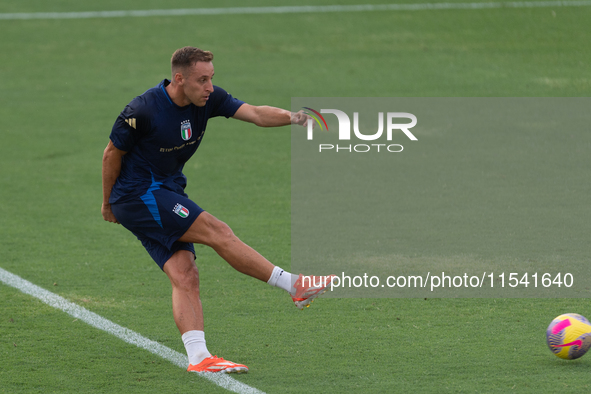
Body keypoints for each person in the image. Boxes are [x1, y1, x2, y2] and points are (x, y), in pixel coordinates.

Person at [101, 46, 333, 374]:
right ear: (179, 79)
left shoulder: (208, 100)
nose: (210, 87)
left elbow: (253, 113)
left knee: (185, 273)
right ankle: (295, 285)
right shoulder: (142, 110)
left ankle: (199, 358)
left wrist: (293, 118)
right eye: (202, 80)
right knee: (217, 231)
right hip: (140, 196)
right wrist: (108, 202)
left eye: (212, 78)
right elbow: (111, 154)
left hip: (164, 191)